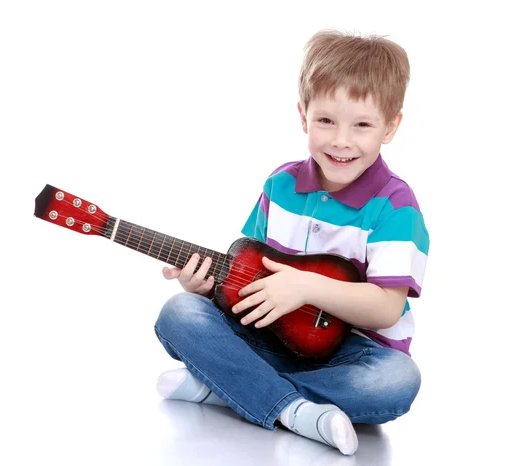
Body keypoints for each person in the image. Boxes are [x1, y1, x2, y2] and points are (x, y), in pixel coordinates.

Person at [154, 29, 429, 456]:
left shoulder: (395, 205)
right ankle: (298, 411)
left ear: (390, 126)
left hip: (350, 355)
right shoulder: (280, 185)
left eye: (361, 125)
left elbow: (386, 308)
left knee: (397, 381)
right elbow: (249, 274)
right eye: (325, 121)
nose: (341, 140)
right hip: (269, 336)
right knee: (179, 312)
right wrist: (207, 287)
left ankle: (229, 386)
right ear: (303, 117)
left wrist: (305, 287)